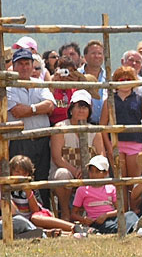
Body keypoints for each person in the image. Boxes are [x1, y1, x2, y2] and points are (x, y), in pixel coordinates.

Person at [7, 44, 56, 190]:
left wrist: (30, 109)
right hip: (20, 140)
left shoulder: (40, 83)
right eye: (20, 64)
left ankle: (43, 210)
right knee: (19, 179)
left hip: (42, 139)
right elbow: (16, 111)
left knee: (42, 179)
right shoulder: (8, 87)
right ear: (14, 66)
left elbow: (51, 106)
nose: (24, 67)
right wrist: (39, 108)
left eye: (27, 64)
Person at [49, 90, 103, 221]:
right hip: (66, 170)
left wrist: (89, 170)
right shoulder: (60, 128)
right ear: (71, 108)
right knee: (62, 174)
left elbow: (101, 156)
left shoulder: (94, 131)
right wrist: (74, 171)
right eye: (78, 106)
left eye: (85, 106)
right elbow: (57, 157)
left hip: (89, 172)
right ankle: (65, 211)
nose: (81, 110)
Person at [99, 66, 142, 180]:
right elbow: (103, 126)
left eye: (129, 79)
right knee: (120, 182)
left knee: (133, 182)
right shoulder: (109, 101)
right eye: (122, 80)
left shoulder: (141, 99)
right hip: (116, 144)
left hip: (136, 145)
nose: (126, 83)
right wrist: (109, 147)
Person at [71, 155, 142, 234]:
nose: (93, 174)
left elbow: (120, 210)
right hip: (96, 222)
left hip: (112, 218)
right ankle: (136, 228)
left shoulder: (111, 188)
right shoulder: (82, 190)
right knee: (109, 226)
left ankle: (135, 227)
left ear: (105, 173)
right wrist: (84, 219)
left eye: (97, 171)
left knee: (130, 214)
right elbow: (73, 214)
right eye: (91, 171)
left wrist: (106, 215)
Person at [9, 155, 83, 235]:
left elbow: (36, 210)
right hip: (18, 220)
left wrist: (28, 192)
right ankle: (56, 233)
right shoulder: (7, 188)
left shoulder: (32, 186)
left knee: (35, 218)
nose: (21, 176)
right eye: (17, 172)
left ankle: (74, 227)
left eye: (24, 173)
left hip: (35, 218)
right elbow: (12, 212)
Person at [81, 40, 107, 123]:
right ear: (85, 56)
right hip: (83, 124)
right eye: (93, 53)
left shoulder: (109, 77)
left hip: (105, 126)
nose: (97, 56)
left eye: (100, 53)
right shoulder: (77, 76)